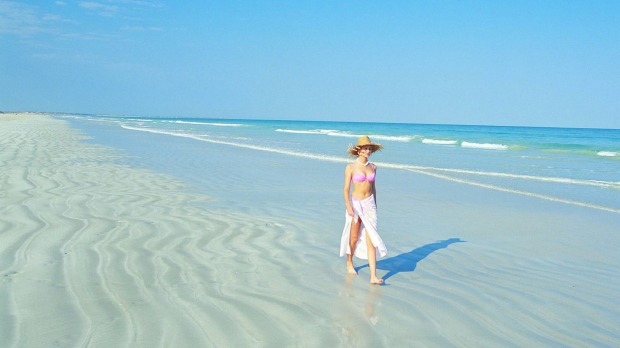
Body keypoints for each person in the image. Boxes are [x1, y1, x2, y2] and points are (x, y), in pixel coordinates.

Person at [340, 136, 388, 284]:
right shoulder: (351, 167)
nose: (368, 151)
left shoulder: (373, 167)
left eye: (369, 149)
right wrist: (348, 205)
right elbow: (346, 189)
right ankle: (349, 261)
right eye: (365, 148)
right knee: (353, 237)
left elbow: (373, 188)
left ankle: (373, 276)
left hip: (370, 205)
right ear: (359, 150)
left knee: (372, 240)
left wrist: (375, 205)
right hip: (355, 204)